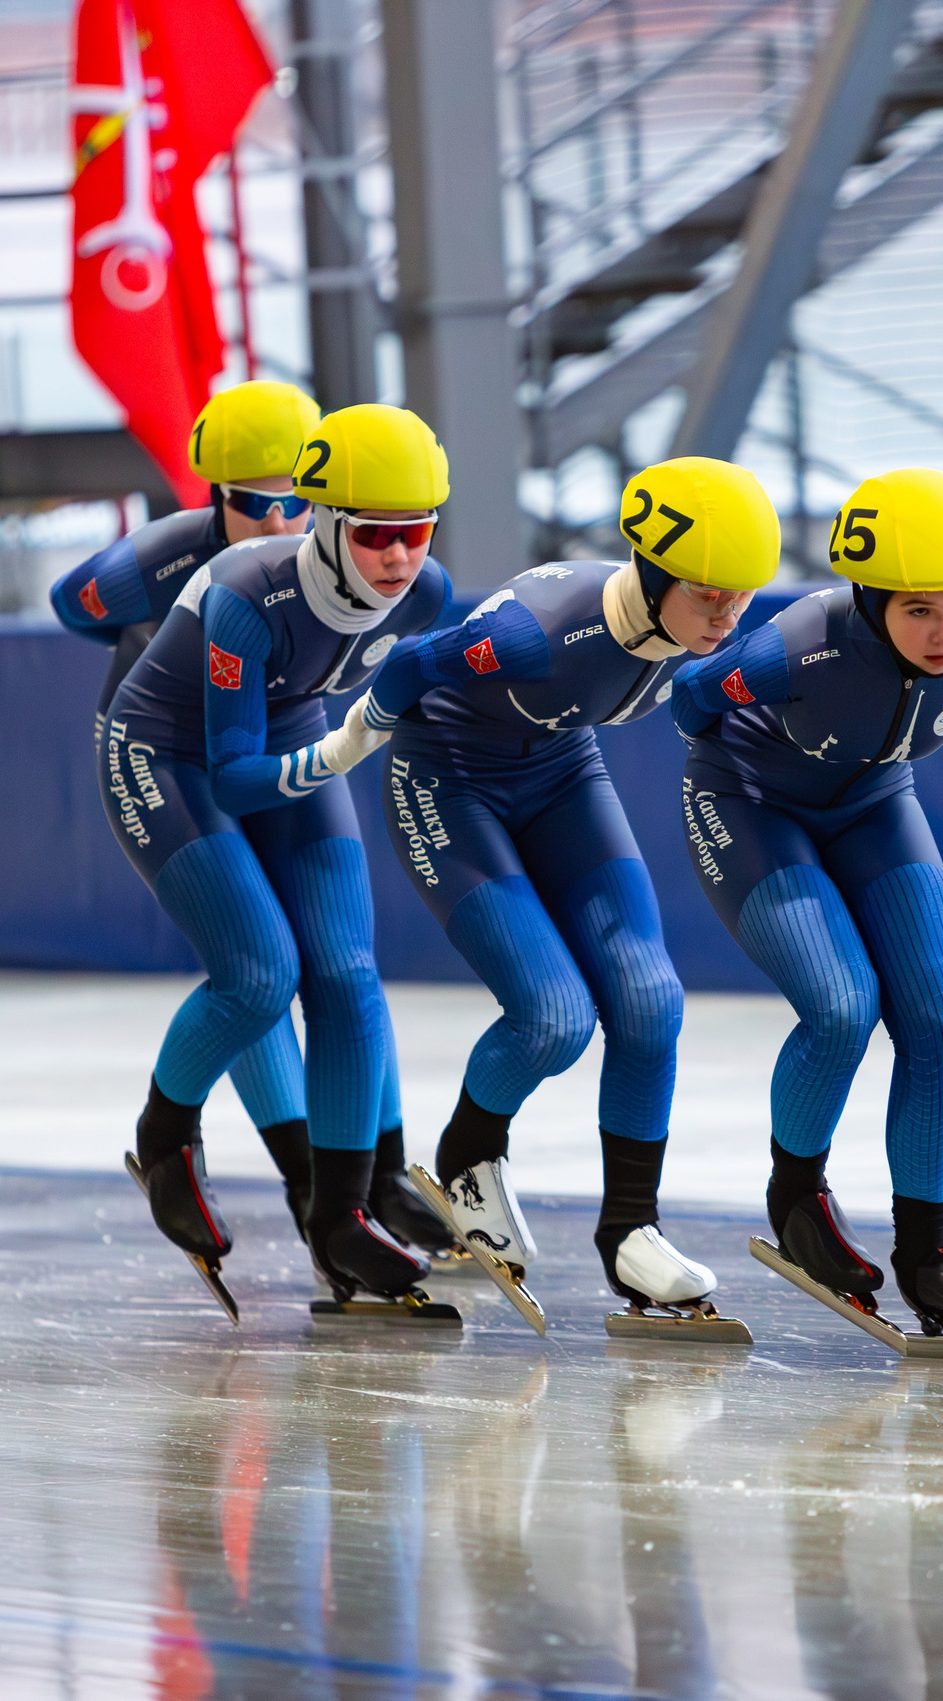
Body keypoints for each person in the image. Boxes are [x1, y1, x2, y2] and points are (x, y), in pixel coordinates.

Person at [304, 457, 776, 1323]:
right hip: (448, 777)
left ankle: (631, 1231)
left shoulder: (694, 622)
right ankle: (468, 1153)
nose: (728, 613)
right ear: (658, 570)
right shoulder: (536, 633)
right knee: (554, 1017)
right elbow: (409, 667)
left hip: (559, 770)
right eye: (710, 593)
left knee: (650, 1002)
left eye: (742, 594)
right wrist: (343, 748)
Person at [53, 384, 436, 1262]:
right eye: (257, 505)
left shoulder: (387, 575)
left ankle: (366, 1184)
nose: (278, 521)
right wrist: (151, 633)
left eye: (296, 503)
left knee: (344, 968)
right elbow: (73, 602)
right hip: (168, 745)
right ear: (215, 499)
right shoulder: (188, 564)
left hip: (282, 722)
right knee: (259, 970)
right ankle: (262, 1166)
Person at [670, 468, 943, 1340]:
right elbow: (689, 699)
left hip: (873, 802)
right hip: (753, 802)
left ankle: (927, 1255)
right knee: (840, 1008)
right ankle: (797, 1199)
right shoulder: (797, 648)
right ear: (869, 602)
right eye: (917, 612)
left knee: (937, 1018)